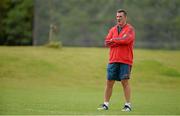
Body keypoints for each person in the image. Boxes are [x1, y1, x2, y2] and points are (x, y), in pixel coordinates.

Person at [97, 9, 135, 112]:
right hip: (113, 59)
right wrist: (118, 40)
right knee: (109, 82)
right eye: (117, 17)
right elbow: (106, 42)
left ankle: (128, 105)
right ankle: (105, 104)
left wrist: (114, 40)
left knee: (124, 82)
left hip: (125, 60)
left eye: (120, 17)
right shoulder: (112, 29)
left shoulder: (130, 29)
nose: (118, 18)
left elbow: (126, 40)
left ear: (125, 17)